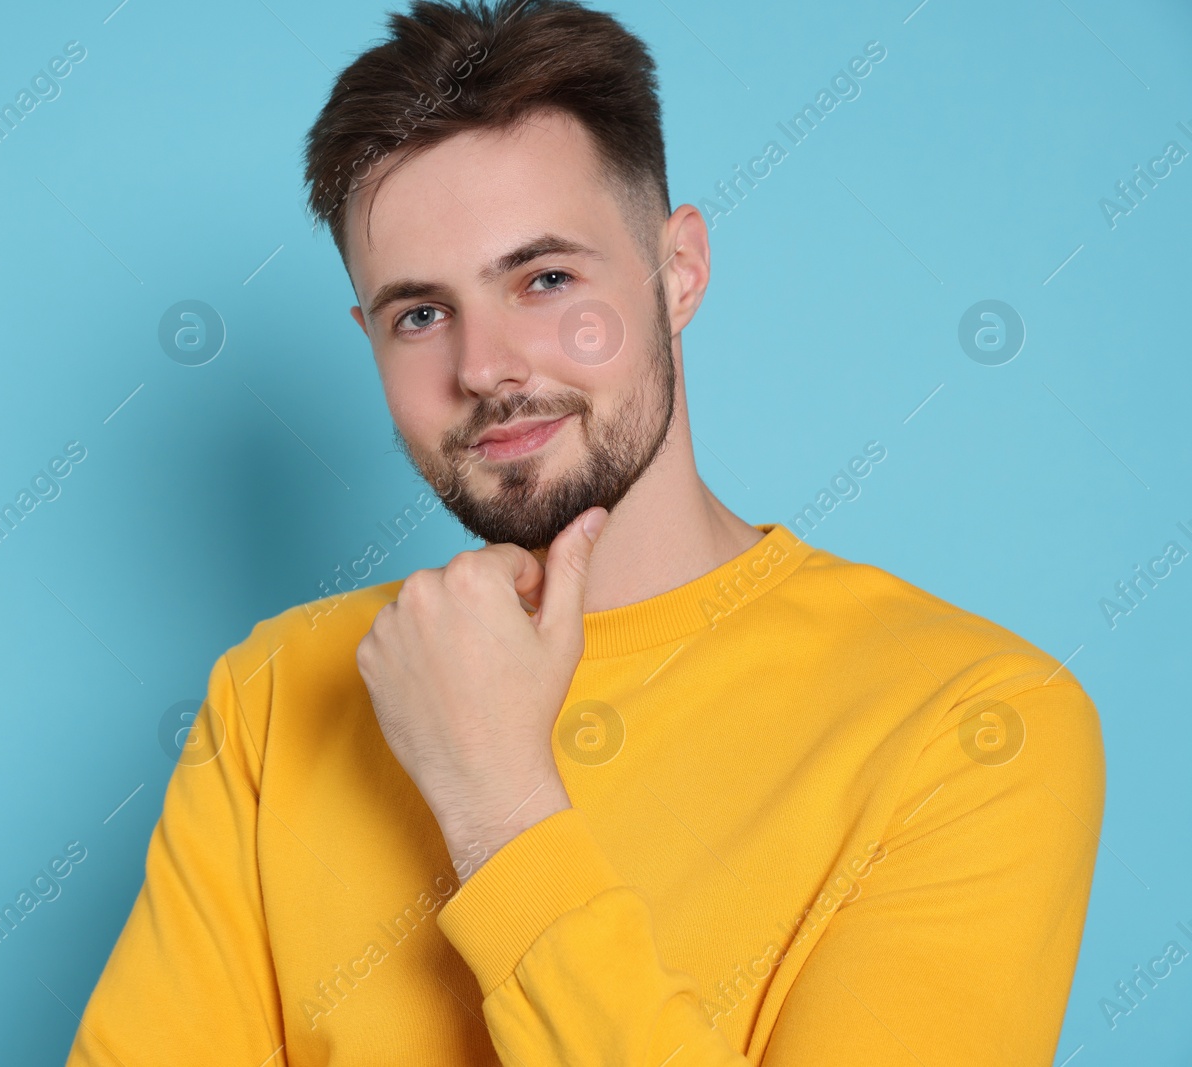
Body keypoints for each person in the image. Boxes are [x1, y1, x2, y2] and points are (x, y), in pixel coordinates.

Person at [66, 1, 1105, 1063]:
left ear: (679, 270)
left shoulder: (977, 723)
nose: (485, 366)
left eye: (545, 279)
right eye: (419, 313)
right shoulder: (277, 692)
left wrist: (500, 807)